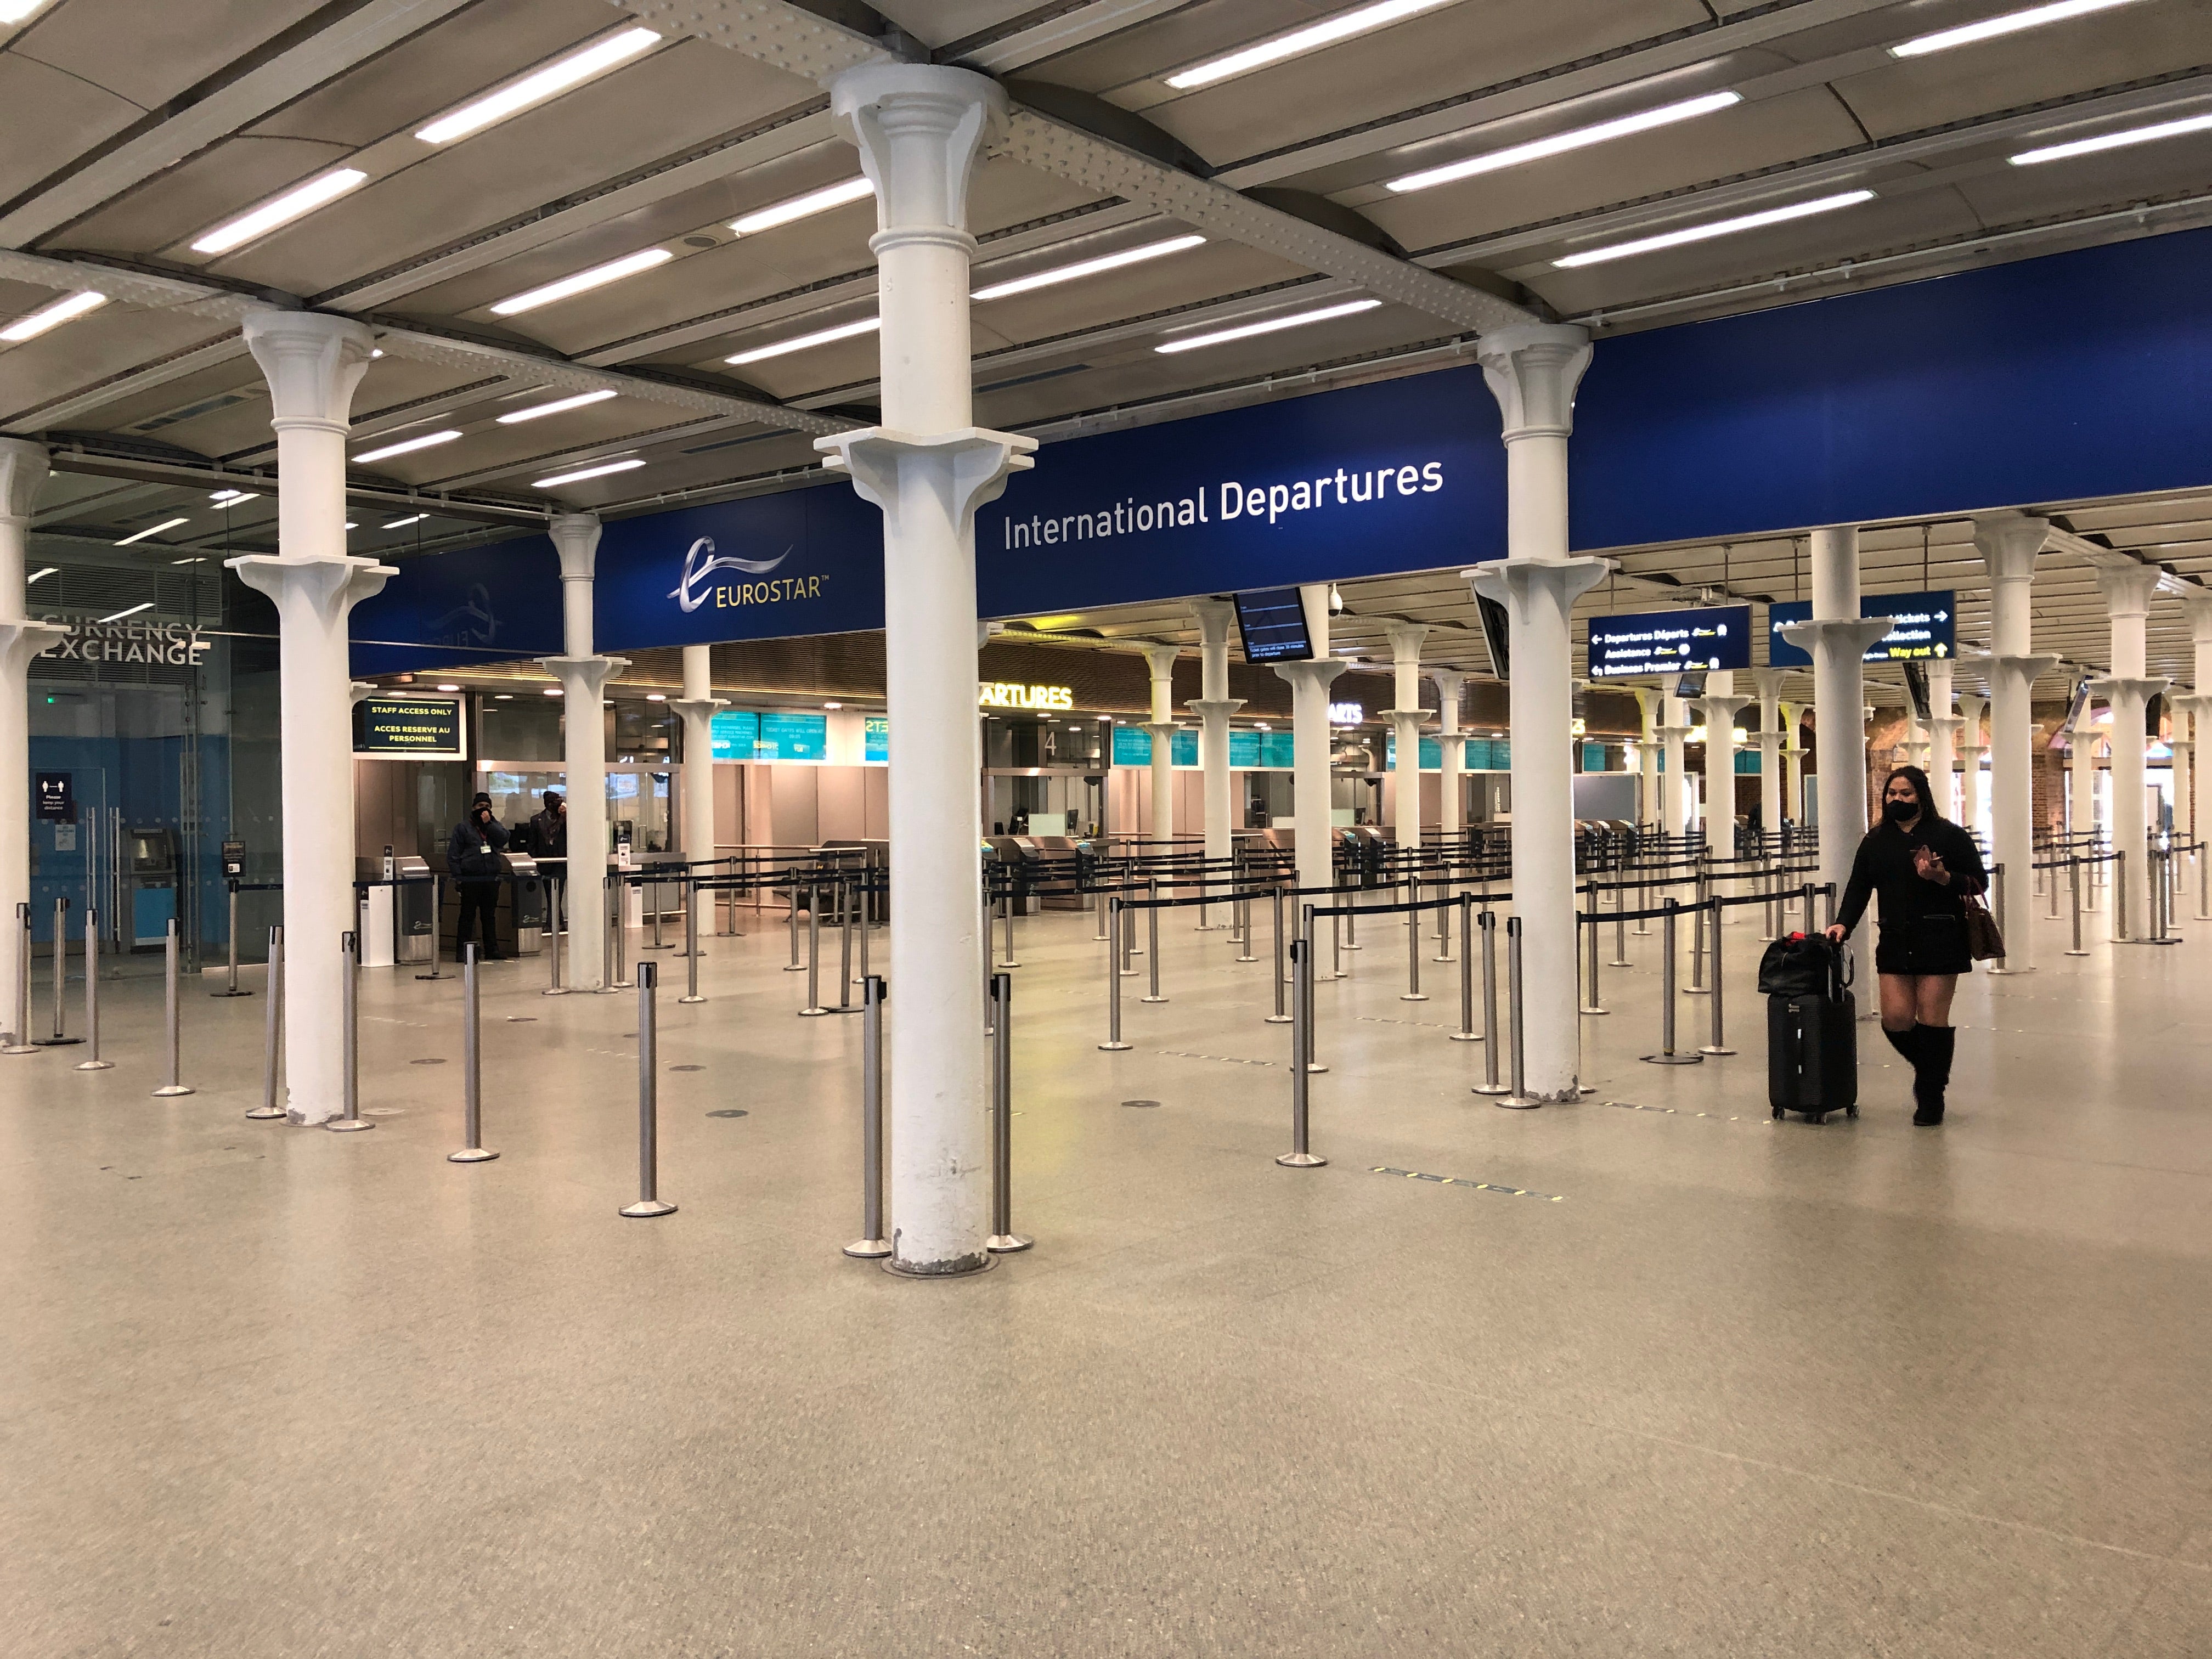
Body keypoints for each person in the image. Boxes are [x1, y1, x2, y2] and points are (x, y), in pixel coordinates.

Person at [1825, 764, 1986, 1125]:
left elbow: (1978, 883)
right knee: (1896, 1019)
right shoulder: (1876, 841)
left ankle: (1931, 1097)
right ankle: (1931, 1070)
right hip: (1896, 940)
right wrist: (1843, 924)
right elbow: (1858, 888)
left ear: (1922, 797)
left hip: (1942, 938)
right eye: (1892, 794)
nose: (1897, 799)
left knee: (1931, 1020)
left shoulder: (1949, 835)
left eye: (1906, 794)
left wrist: (1941, 876)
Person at [448, 797, 510, 962]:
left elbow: (504, 838)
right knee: (467, 916)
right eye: (481, 806)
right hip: (470, 878)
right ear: (474, 807)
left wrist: (489, 824)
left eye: (488, 806)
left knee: (489, 916)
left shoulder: (493, 825)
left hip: (490, 878)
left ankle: (492, 950)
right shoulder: (463, 828)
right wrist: (458, 877)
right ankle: (462, 952)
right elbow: (453, 855)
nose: (485, 809)